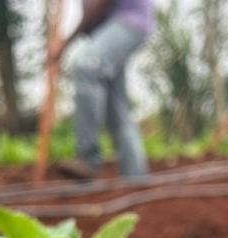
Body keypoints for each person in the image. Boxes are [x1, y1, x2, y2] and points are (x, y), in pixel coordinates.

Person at [49, 0, 153, 181]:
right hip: (117, 25)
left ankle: (88, 159)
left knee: (87, 65)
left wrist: (65, 43)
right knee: (116, 108)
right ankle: (135, 178)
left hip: (128, 21)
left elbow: (100, 5)